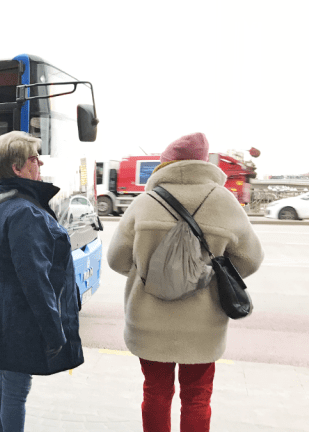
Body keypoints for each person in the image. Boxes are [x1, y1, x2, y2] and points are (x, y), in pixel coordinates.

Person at [107, 132, 264, 432]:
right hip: (203, 326)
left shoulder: (144, 203)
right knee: (197, 399)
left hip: (148, 322)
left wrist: (151, 269)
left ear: (165, 165)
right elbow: (251, 259)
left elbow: (117, 260)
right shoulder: (225, 202)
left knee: (155, 393)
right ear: (204, 164)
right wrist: (208, 274)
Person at [0, 131, 84, 432]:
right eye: (34, 158)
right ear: (16, 167)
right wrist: (54, 330)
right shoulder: (25, 211)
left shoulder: (1, 199)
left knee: (8, 378)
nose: (40, 163)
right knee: (16, 388)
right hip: (21, 314)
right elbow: (35, 278)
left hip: (5, 305)